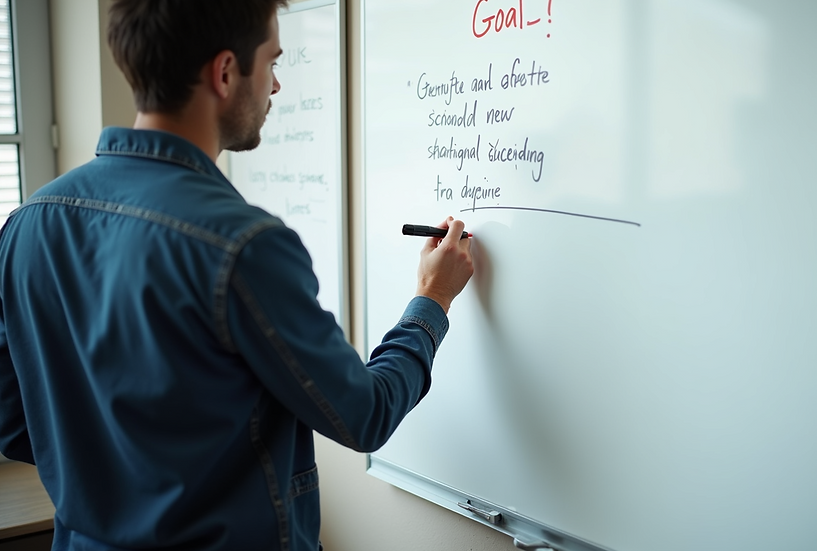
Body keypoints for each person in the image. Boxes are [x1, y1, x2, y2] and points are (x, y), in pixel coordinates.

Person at [0, 0, 474, 549]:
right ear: (225, 72)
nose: (275, 85)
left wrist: (114, 471)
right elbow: (365, 415)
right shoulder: (243, 245)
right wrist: (432, 300)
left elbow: (13, 423)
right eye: (272, 62)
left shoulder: (27, 224)